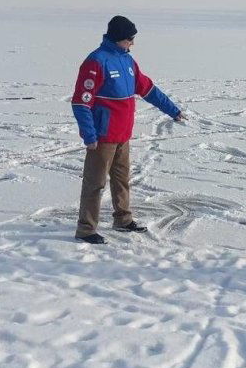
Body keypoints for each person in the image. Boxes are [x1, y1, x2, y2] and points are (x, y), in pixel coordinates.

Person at [71, 16, 185, 245]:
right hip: (102, 137)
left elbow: (149, 89)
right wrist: (89, 135)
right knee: (95, 183)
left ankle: (122, 219)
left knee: (122, 180)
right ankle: (86, 229)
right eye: (129, 39)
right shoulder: (96, 62)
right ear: (118, 38)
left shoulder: (128, 62)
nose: (132, 44)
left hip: (123, 135)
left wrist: (173, 110)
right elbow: (81, 102)